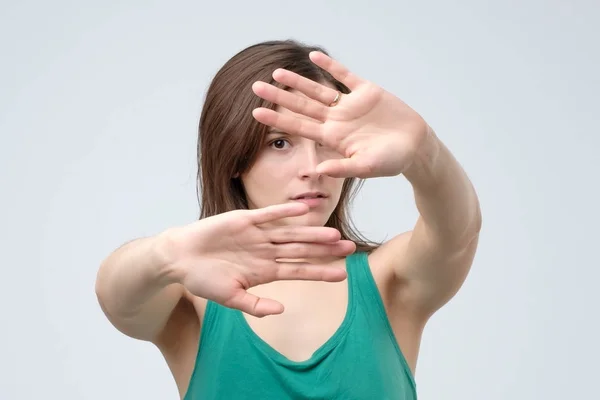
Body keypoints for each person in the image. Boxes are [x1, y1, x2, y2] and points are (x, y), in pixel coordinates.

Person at [95, 39, 482, 400]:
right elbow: (116, 298)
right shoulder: (191, 295)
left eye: (326, 142)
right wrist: (166, 253)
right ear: (233, 158)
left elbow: (459, 232)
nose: (313, 168)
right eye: (279, 143)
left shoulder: (390, 280)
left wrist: (423, 149)